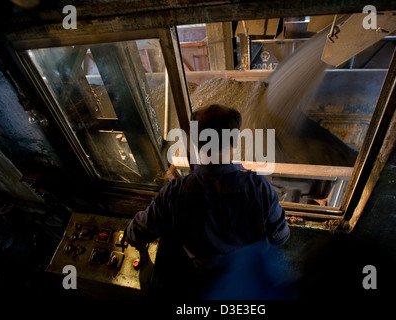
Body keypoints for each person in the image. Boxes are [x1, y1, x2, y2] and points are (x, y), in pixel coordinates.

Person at [124, 104, 290, 299]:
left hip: (203, 288)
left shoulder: (174, 193)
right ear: (235, 141)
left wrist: (129, 233)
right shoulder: (259, 188)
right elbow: (281, 237)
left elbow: (137, 232)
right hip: (250, 289)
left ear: (195, 142)